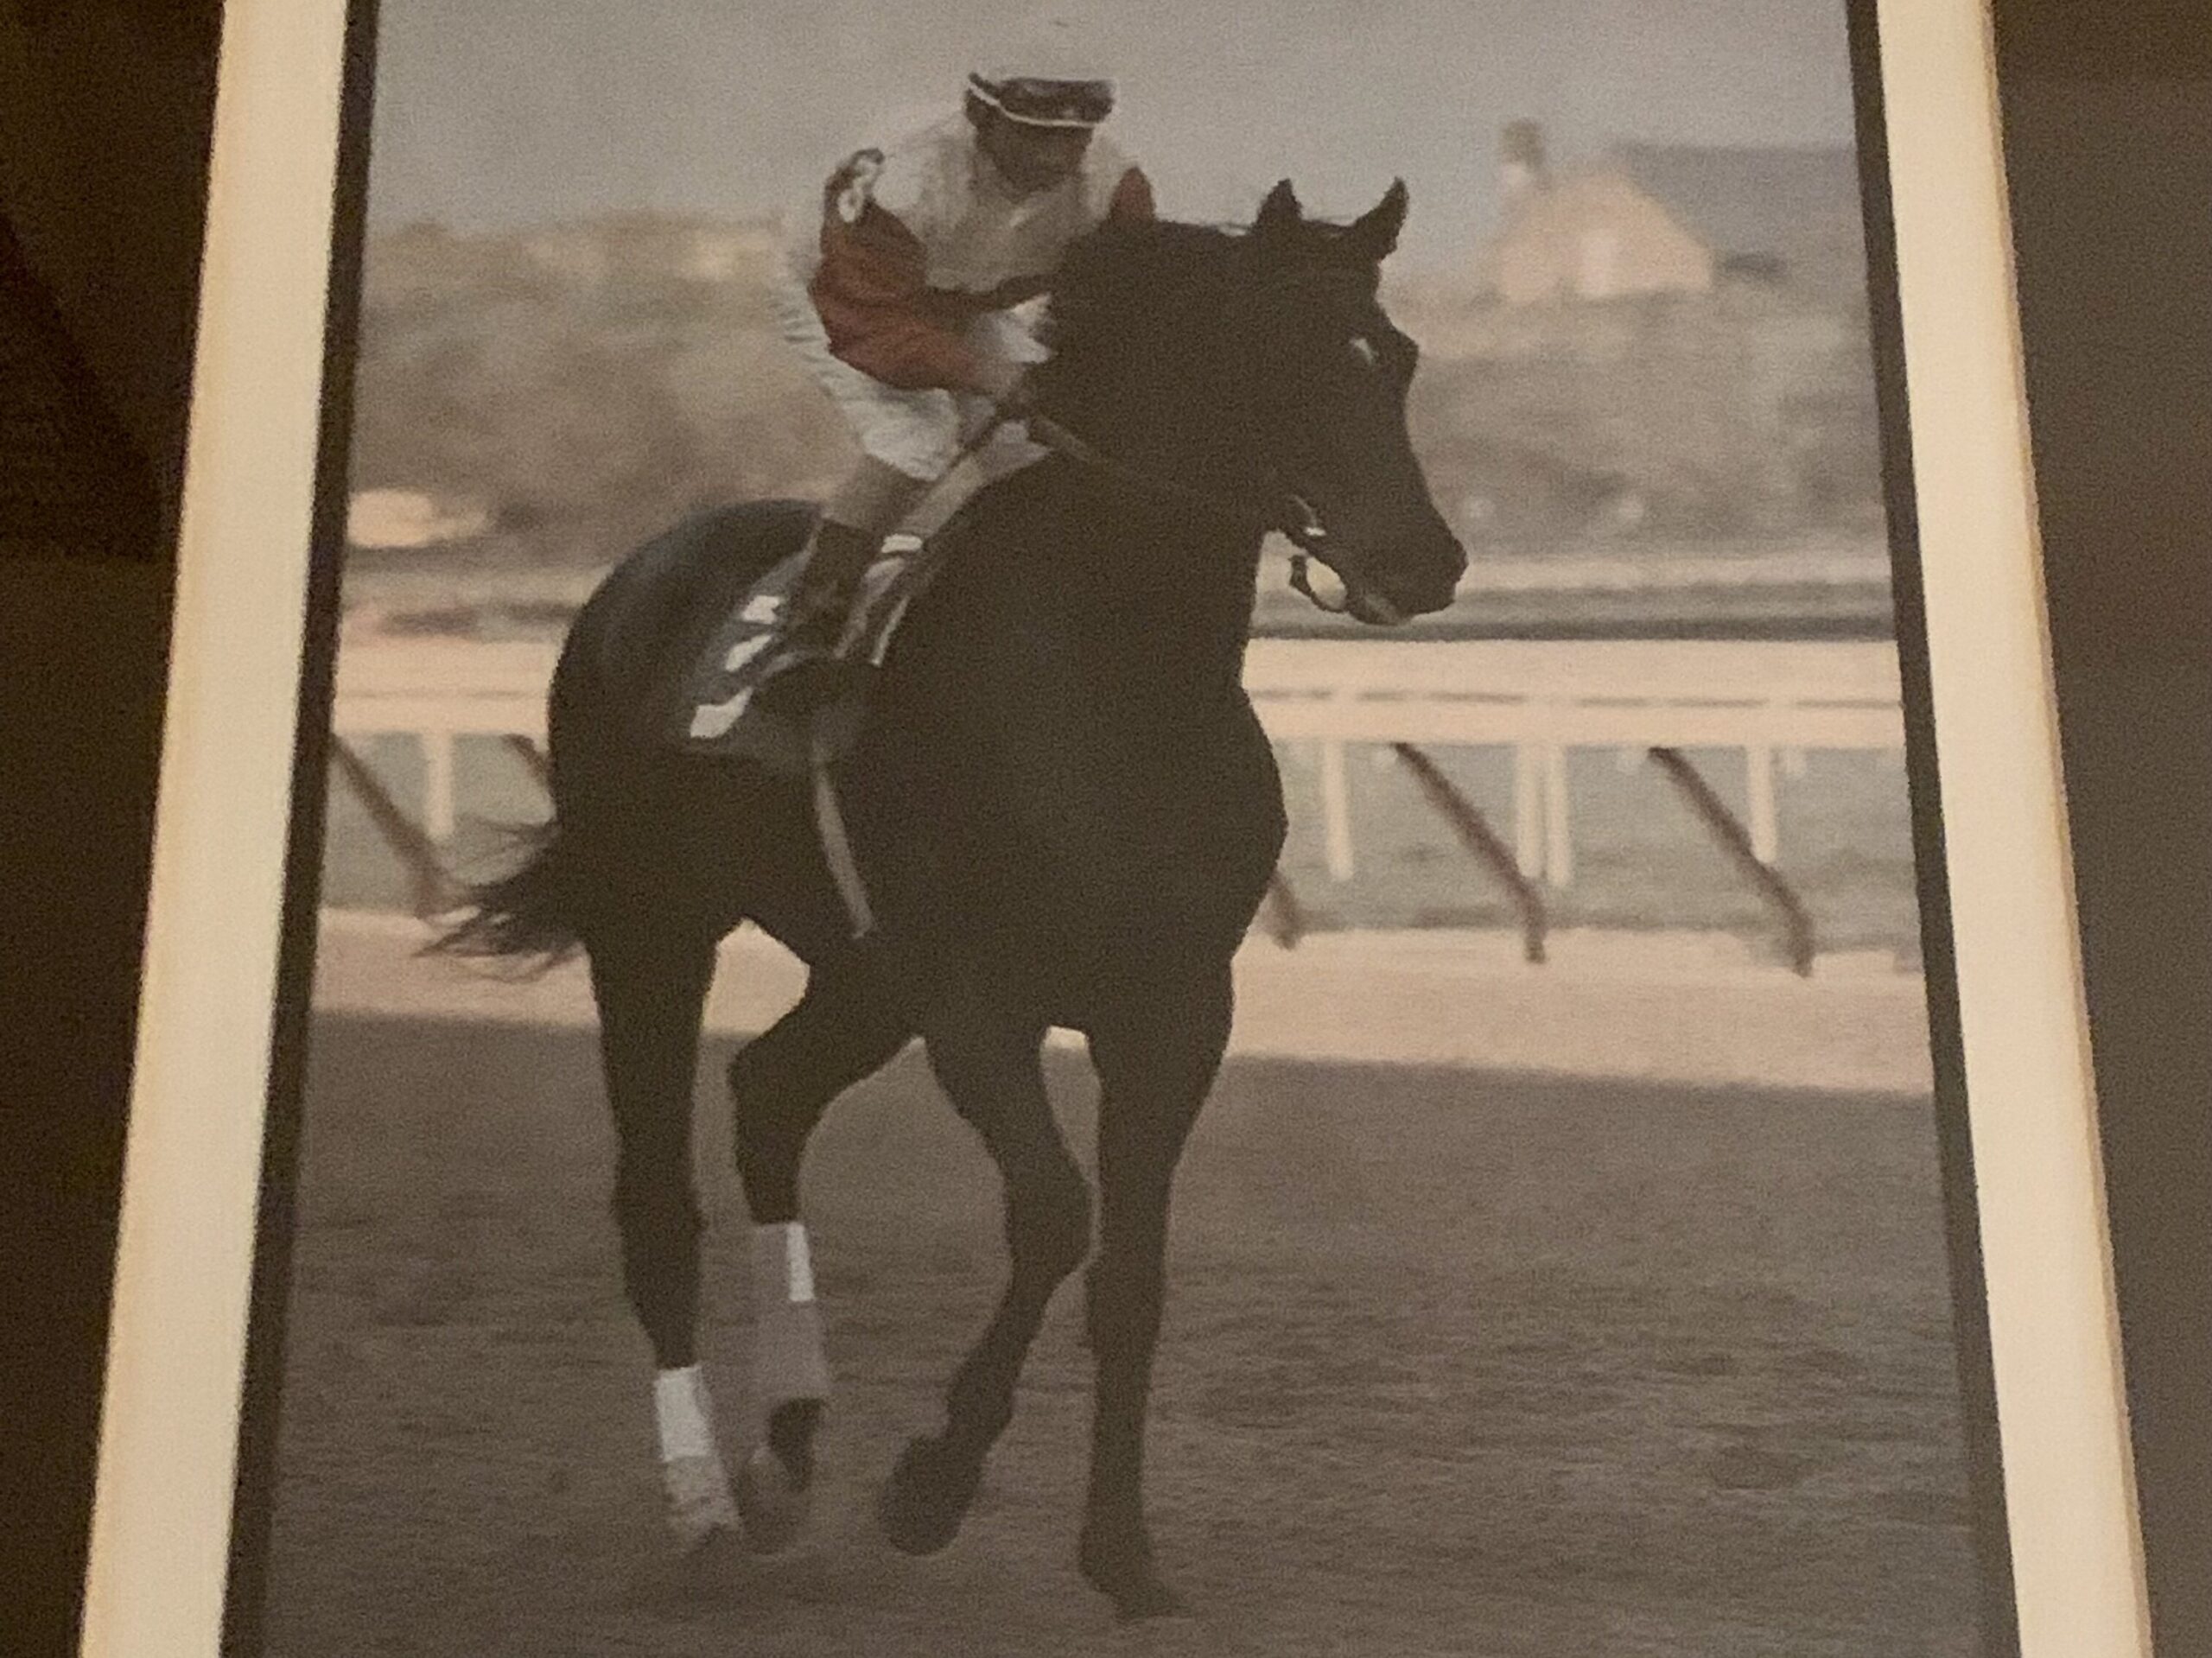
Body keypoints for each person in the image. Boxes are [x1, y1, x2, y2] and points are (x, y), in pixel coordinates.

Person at [753, 11, 1156, 707]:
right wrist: (990, 373)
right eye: (1033, 136)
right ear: (980, 115)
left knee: (1045, 453)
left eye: (1073, 138)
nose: (1056, 161)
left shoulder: (1114, 186)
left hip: (966, 302)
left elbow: (1127, 309)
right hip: (842, 299)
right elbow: (868, 322)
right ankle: (806, 629)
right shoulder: (907, 181)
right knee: (917, 440)